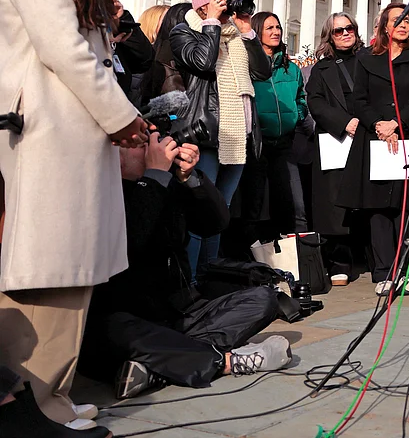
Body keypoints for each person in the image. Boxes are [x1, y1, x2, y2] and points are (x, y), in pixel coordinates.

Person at [0, 0, 149, 430]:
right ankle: (34, 402)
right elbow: (63, 48)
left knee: (72, 272)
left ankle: (53, 395)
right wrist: (122, 116)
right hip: (46, 133)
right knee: (45, 273)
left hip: (73, 133)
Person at [80, 134, 289, 401]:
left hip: (177, 315)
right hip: (126, 319)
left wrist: (190, 178)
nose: (151, 151)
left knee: (263, 299)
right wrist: (154, 176)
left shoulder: (164, 185)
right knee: (113, 328)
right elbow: (130, 243)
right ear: (116, 152)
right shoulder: (101, 191)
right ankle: (225, 362)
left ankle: (157, 364)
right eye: (143, 145)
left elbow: (216, 223)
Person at [170, 0, 271, 277]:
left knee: (220, 212)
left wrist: (249, 33)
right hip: (207, 135)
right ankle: (190, 281)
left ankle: (209, 277)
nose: (228, 10)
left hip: (239, 134)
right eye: (221, 4)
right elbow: (202, 63)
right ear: (204, 5)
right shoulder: (184, 31)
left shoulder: (237, 36)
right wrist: (212, 24)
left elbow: (263, 72)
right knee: (201, 213)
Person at [338, 3, 409, 297]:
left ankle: (408, 271)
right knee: (377, 209)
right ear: (384, 25)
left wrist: (396, 123)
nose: (404, 25)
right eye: (397, 20)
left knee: (406, 208)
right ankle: (383, 272)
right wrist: (378, 125)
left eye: (408, 20)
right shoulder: (367, 59)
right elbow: (359, 100)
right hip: (374, 139)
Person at [240, 12, 309, 241]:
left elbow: (301, 98)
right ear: (257, 31)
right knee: (255, 205)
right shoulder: (247, 65)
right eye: (269, 28)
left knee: (293, 204)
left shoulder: (292, 69)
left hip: (285, 144)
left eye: (278, 27)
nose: (276, 32)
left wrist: (296, 116)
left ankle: (299, 261)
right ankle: (255, 259)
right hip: (256, 145)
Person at [306, 12, 364, 286]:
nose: (344, 34)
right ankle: (339, 262)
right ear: (329, 36)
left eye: (348, 28)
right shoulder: (321, 69)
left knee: (369, 200)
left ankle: (372, 259)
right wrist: (345, 123)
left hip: (369, 136)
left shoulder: (370, 60)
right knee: (335, 205)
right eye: (338, 31)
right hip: (336, 139)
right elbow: (315, 103)